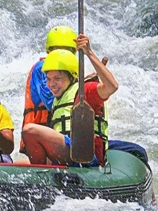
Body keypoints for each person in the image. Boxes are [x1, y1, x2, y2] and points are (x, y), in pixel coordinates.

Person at [20, 34, 118, 166]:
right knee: (20, 163)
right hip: (67, 153)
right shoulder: (58, 100)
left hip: (85, 156)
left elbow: (112, 86)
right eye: (48, 79)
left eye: (57, 78)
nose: (51, 84)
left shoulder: (84, 91)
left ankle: (42, 173)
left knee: (30, 130)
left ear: (71, 77)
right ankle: (42, 173)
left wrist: (89, 53)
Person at [24, 26, 77, 132]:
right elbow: (51, 102)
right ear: (49, 51)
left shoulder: (73, 71)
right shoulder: (41, 68)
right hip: (38, 136)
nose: (61, 55)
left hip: (62, 132)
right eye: (56, 50)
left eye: (67, 51)